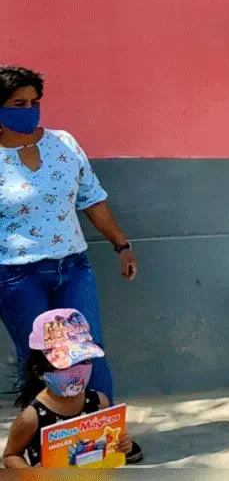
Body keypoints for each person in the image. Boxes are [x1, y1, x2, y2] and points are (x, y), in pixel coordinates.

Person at [0, 67, 142, 463]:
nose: (29, 111)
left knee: (88, 351)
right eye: (18, 105)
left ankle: (108, 440)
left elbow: (91, 199)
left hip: (72, 269)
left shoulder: (63, 144)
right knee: (41, 360)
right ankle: (44, 447)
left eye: (34, 103)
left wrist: (121, 245)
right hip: (16, 275)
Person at [3, 309, 134, 467]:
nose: (77, 373)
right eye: (65, 364)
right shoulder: (32, 417)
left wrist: (124, 443)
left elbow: (110, 444)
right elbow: (11, 455)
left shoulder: (99, 402)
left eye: (84, 361)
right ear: (39, 372)